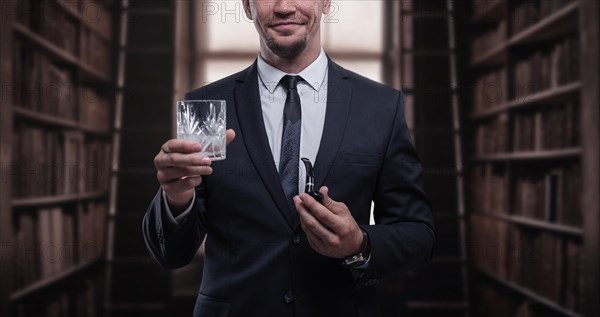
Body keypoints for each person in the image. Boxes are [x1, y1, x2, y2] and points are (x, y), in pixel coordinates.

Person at [143, 0, 434, 316]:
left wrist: (359, 243)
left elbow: (418, 235)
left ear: (325, 2)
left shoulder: (380, 107)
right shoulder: (207, 105)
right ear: (246, 5)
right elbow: (170, 255)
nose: (284, 7)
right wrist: (176, 198)